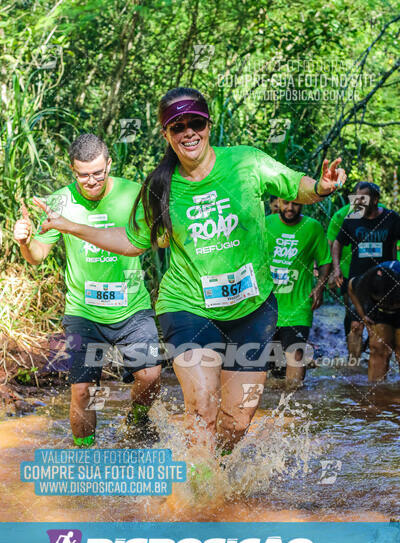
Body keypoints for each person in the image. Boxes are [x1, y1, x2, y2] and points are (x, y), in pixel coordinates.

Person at [32, 88, 346, 453]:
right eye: (177, 126)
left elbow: (297, 186)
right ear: (166, 134)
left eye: (195, 122)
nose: (188, 132)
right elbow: (132, 240)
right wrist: (69, 226)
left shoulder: (246, 163)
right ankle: (192, 494)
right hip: (188, 307)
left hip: (253, 308)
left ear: (208, 124)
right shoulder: (160, 186)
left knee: (238, 419)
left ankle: (216, 474)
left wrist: (322, 187)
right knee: (202, 406)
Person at [14, 134, 161, 447]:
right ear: (72, 169)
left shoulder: (133, 193)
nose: (92, 180)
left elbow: (143, 243)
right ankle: (85, 452)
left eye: (98, 172)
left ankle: (136, 418)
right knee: (83, 390)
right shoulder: (59, 201)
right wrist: (26, 241)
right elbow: (38, 257)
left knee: (150, 376)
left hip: (132, 307)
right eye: (83, 174)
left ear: (109, 164)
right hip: (83, 311)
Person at [266, 198, 332, 381]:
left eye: (295, 204)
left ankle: (295, 403)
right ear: (278, 202)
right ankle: (273, 406)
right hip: (266, 306)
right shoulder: (265, 224)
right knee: (272, 365)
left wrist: (320, 287)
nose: (290, 208)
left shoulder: (312, 227)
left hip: (298, 305)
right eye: (286, 203)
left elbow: (325, 260)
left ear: (303, 204)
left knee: (296, 356)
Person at [332, 181, 400, 359]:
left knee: (381, 327)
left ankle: (379, 359)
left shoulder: (392, 218)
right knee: (356, 324)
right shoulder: (351, 219)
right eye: (356, 198)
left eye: (363, 198)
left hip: (385, 283)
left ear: (375, 199)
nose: (358, 202)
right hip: (358, 281)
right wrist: (337, 268)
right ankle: (354, 365)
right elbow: (338, 242)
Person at [348, 261, 400, 380]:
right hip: (378, 313)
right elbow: (351, 287)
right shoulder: (366, 281)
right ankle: (376, 391)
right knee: (378, 348)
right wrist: (363, 316)